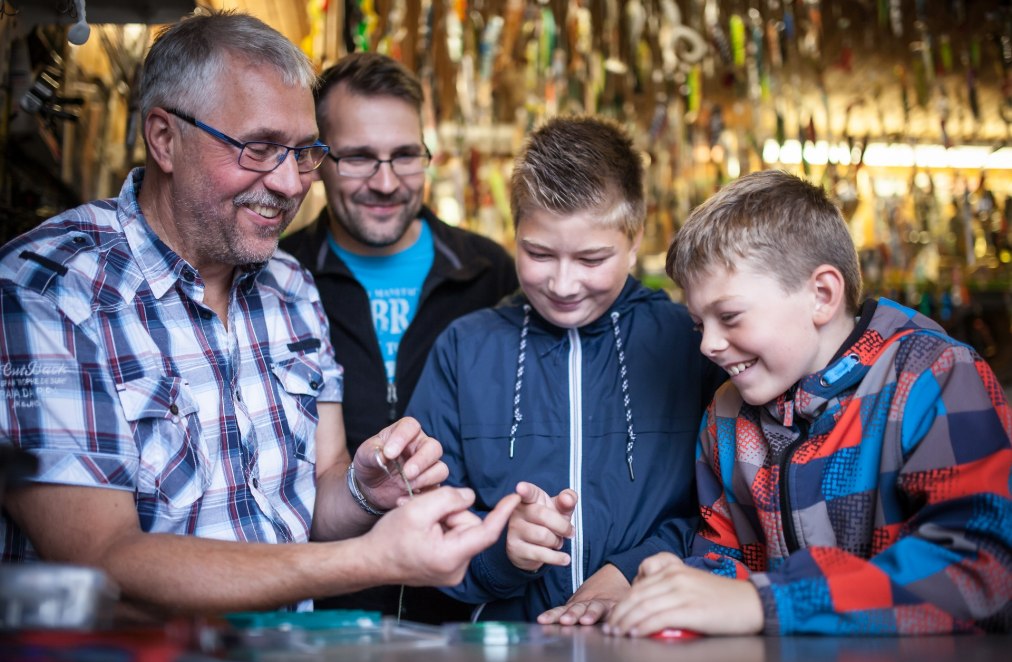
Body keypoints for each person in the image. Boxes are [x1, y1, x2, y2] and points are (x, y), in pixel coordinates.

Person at [0, 10, 518, 617]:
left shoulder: (291, 286)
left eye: (303, 153)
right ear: (164, 138)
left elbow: (323, 492)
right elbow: (102, 558)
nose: (288, 183)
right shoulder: (50, 289)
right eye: (259, 148)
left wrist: (363, 491)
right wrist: (374, 559)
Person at [606, 170, 1012, 637]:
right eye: (700, 324)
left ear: (821, 295)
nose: (708, 345)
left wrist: (766, 602)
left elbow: (982, 567)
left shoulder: (934, 376)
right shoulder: (726, 415)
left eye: (729, 316)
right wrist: (682, 586)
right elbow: (728, 554)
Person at [406, 115, 725, 624]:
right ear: (515, 234)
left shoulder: (691, 342)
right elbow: (425, 521)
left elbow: (729, 508)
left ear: (635, 238)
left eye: (591, 258)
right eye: (537, 253)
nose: (563, 283)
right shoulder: (465, 349)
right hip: (507, 651)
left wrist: (630, 571)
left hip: (651, 638)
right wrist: (502, 553)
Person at [281, 51, 518, 623]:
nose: (386, 182)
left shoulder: (492, 273)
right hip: (325, 607)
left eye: (406, 155)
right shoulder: (278, 280)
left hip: (469, 604)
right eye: (359, 157)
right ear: (319, 160)